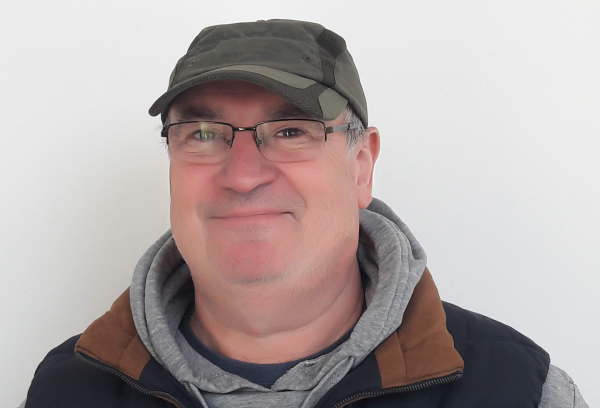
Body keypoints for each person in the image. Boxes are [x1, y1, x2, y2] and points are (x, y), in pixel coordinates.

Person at [22, 19, 588, 408]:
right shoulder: (68, 389)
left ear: (361, 165)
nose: (243, 174)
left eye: (292, 131)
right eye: (203, 133)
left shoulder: (515, 391)